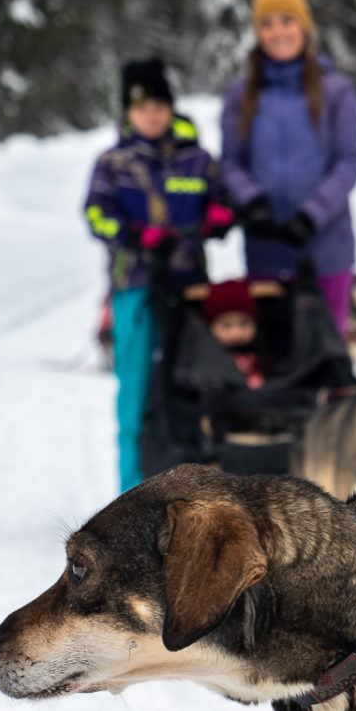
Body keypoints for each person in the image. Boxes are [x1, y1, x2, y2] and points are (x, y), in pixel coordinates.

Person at [83, 57, 234, 492]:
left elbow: (221, 202)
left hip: (191, 290)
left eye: (158, 105)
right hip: (137, 289)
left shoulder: (197, 160)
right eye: (141, 107)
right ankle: (129, 496)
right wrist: (137, 235)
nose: (151, 114)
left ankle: (192, 496)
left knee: (192, 389)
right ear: (128, 113)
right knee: (136, 396)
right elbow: (96, 215)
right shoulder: (114, 162)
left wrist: (220, 216)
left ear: (170, 108)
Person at [219, 0, 356, 337]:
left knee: (326, 356)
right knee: (273, 358)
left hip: (326, 247)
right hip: (266, 247)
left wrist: (310, 216)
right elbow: (230, 162)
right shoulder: (242, 93)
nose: (278, 31)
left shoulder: (336, 90)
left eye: (287, 20)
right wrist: (253, 203)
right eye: (267, 24)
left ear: (304, 26)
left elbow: (348, 161)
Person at [201, 280, 266, 389]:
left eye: (244, 324)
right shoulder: (205, 357)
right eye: (226, 325)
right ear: (210, 327)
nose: (236, 333)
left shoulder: (263, 354)